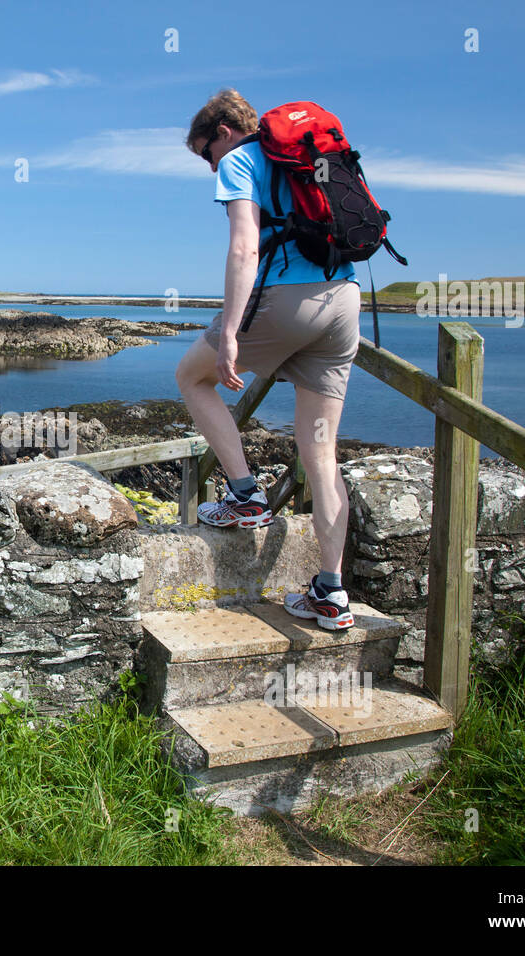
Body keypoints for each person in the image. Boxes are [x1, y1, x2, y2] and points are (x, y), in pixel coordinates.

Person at [174, 89, 360, 631]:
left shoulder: (239, 160)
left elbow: (243, 249)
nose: (209, 165)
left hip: (288, 300)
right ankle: (331, 592)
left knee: (191, 376)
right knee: (321, 454)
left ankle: (245, 494)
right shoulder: (311, 157)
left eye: (205, 153)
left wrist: (230, 331)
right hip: (343, 302)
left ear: (223, 133)